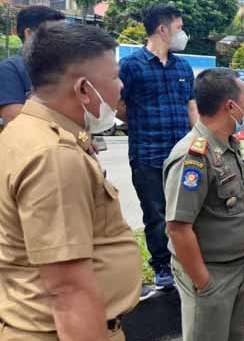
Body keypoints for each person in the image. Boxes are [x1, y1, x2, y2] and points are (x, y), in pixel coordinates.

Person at [0, 23, 140, 340]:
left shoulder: (25, 131)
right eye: (115, 76)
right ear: (83, 90)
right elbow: (68, 292)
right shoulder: (54, 156)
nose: (121, 87)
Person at [163, 68, 244, 341]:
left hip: (236, 267)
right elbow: (178, 228)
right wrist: (204, 283)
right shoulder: (193, 155)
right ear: (230, 105)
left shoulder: (227, 146)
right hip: (211, 273)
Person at [117, 4, 198, 296]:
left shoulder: (183, 67)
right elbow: (118, 104)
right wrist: (140, 120)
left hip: (181, 154)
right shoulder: (131, 66)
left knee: (186, 211)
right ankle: (163, 268)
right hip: (148, 153)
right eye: (179, 27)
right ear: (162, 29)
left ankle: (186, 262)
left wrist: (200, 141)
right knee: (155, 214)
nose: (182, 33)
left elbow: (191, 106)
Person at [0, 6, 64, 131]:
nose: (62, 40)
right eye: (54, 33)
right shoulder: (9, 69)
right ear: (29, 34)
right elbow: (15, 117)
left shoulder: (65, 67)